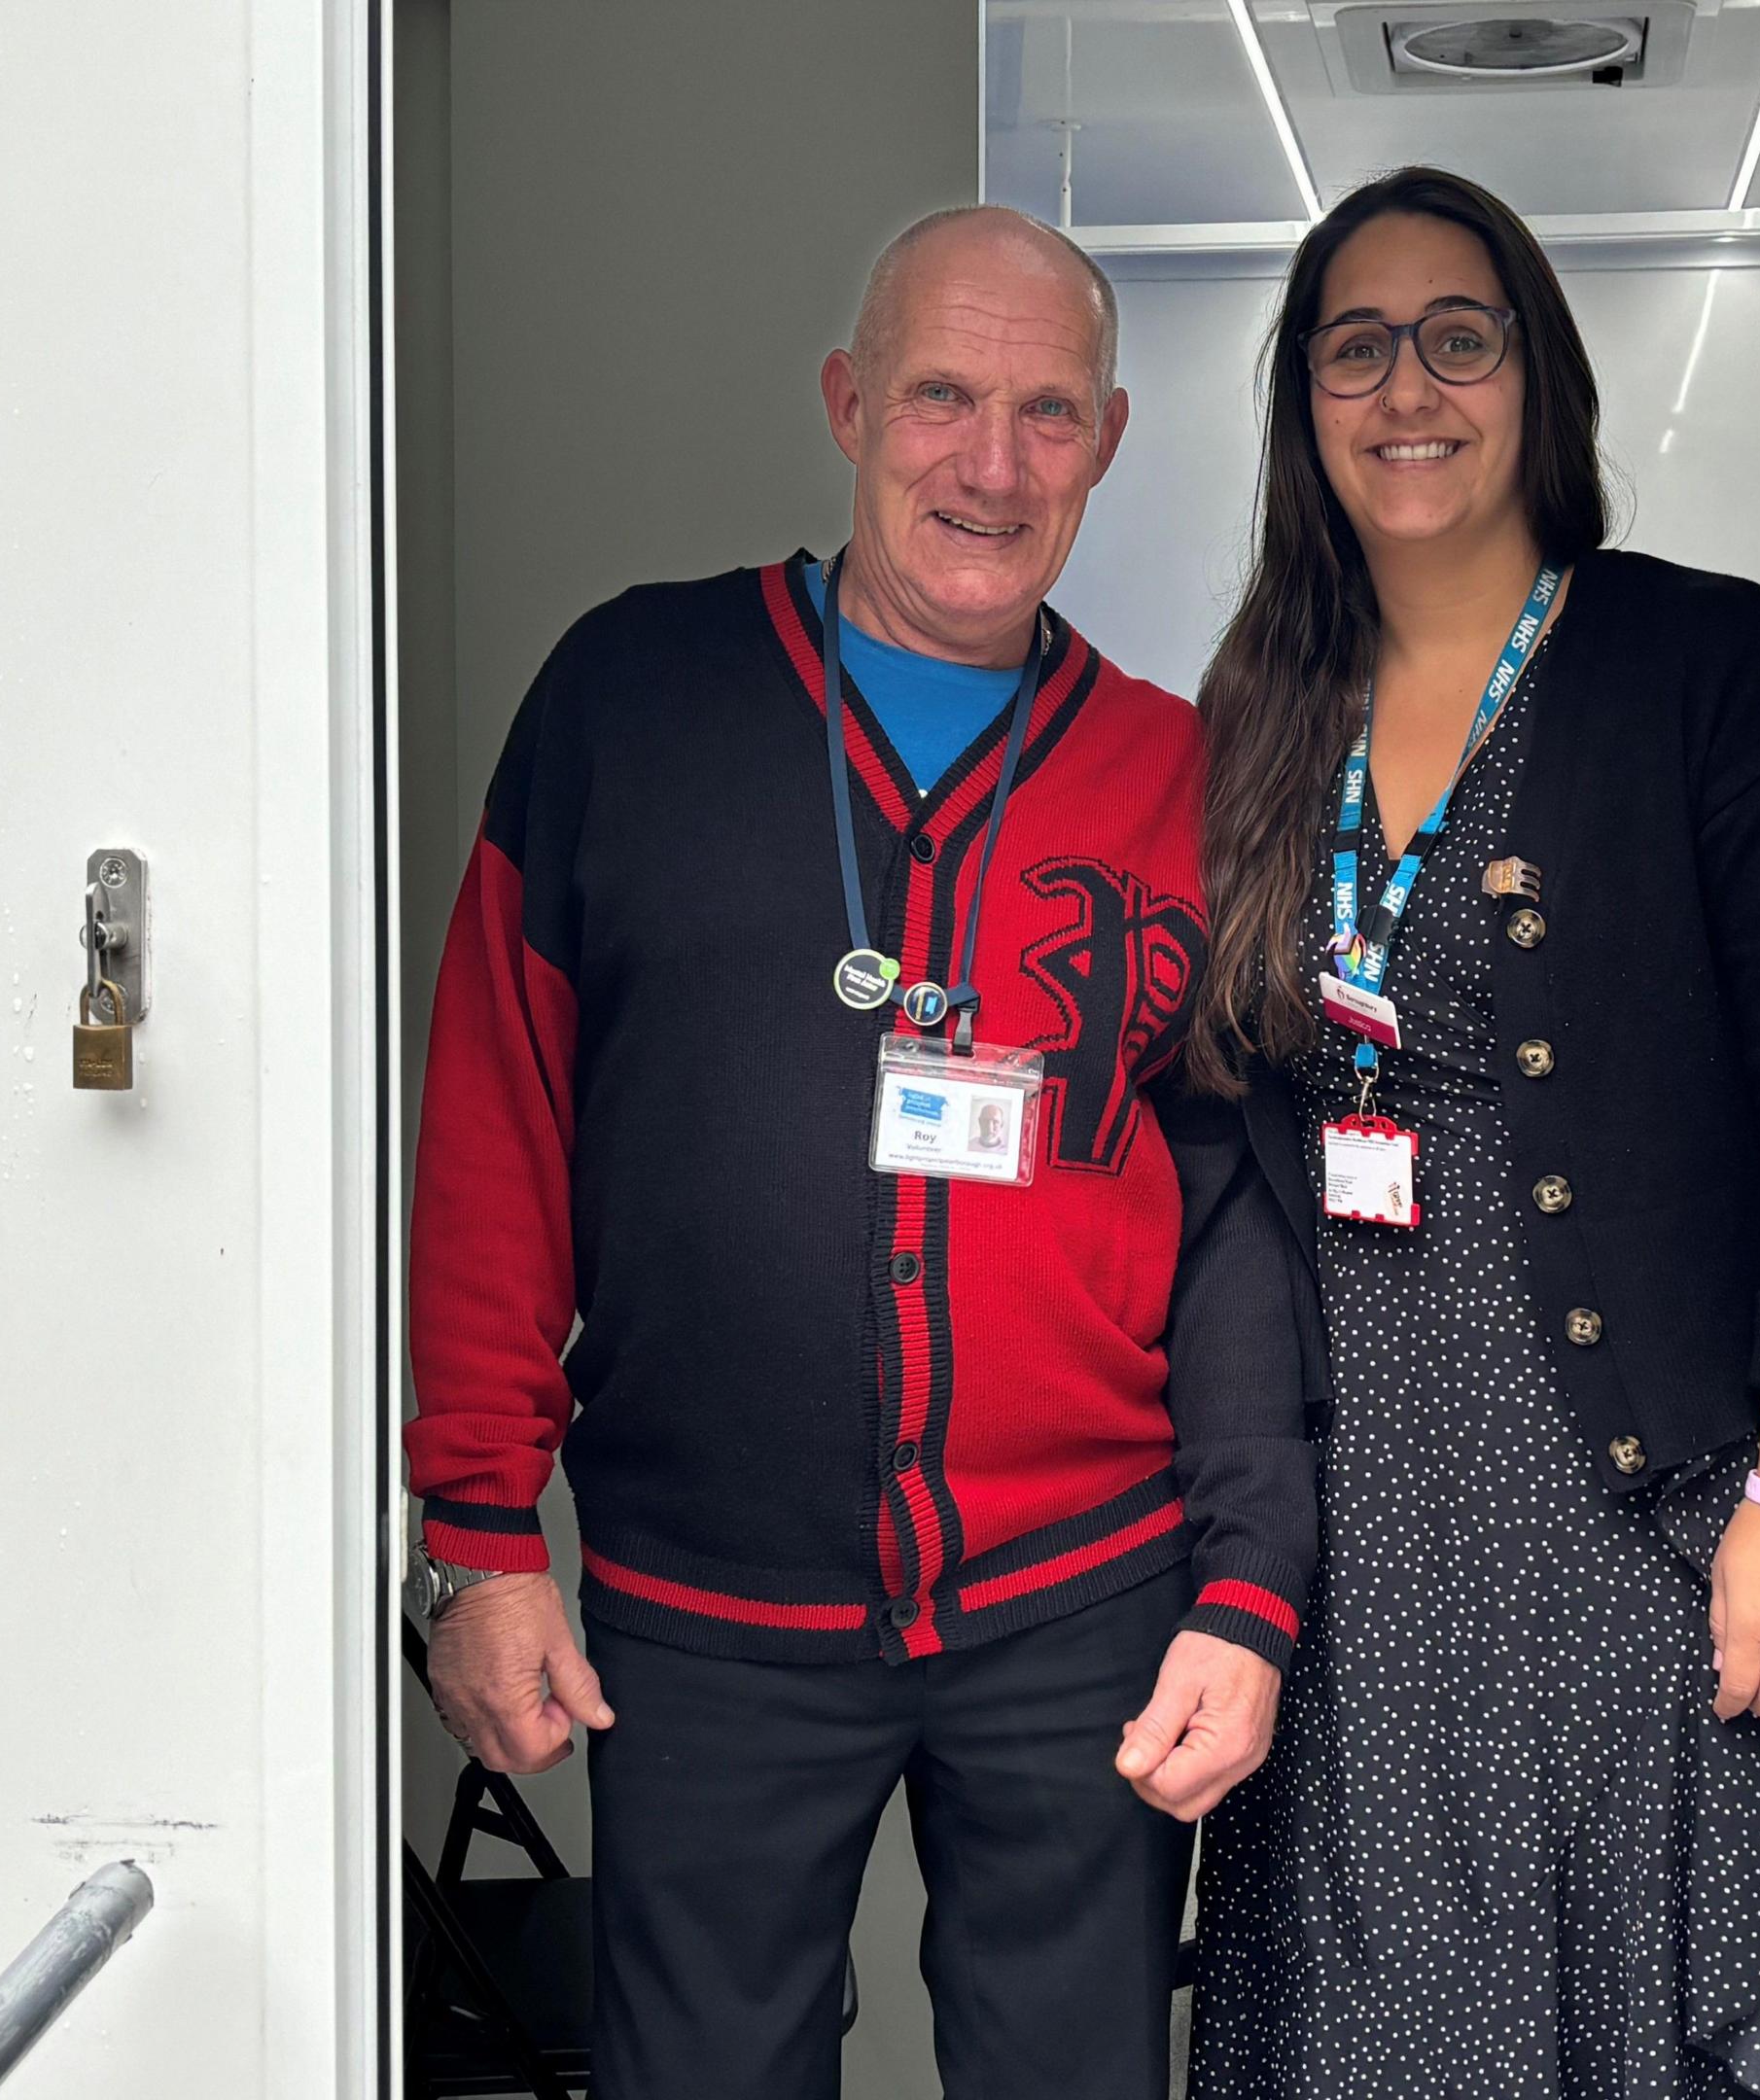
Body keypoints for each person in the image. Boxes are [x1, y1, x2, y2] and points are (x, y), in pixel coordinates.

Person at [405, 204, 1316, 2100]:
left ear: (1112, 442)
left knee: (1072, 2074)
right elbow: (497, 1114)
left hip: (1083, 1587)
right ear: (846, 404)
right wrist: (479, 1526)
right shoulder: (629, 704)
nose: (991, 464)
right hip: (707, 1595)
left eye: (1048, 414)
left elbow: (1236, 1221)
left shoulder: (1182, 779)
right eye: (942, 397)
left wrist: (1247, 1579)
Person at [1179, 167, 1760, 2097]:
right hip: (1368, 1524)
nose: (1409, 389)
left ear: (1537, 373)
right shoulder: (1258, 709)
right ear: (1301, 401)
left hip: (1660, 1506)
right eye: (1353, 347)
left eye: (1458, 338)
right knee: (1401, 2021)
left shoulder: (1718, 672)